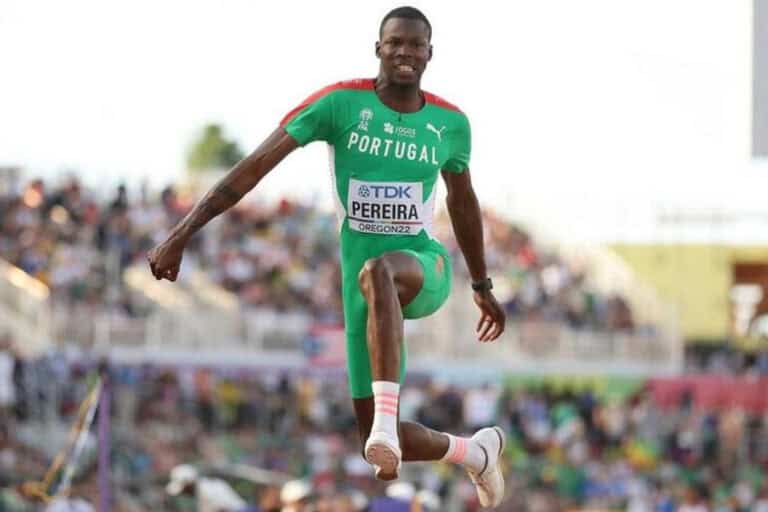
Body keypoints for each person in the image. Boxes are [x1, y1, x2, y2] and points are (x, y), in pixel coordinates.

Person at [148, 6, 507, 507]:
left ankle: (386, 420)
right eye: (395, 42)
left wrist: (482, 286)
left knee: (380, 272)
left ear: (430, 54)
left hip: (423, 266)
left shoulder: (449, 123)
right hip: (362, 291)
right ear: (378, 48)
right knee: (375, 440)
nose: (405, 52)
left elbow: (462, 203)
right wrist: (182, 233)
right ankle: (475, 453)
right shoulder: (339, 104)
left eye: (416, 44)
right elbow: (254, 168)